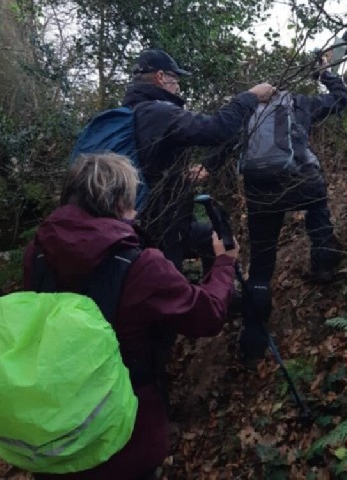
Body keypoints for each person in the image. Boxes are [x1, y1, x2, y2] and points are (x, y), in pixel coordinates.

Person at [24, 152, 239, 480]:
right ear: (118, 203)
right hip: (123, 438)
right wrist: (224, 263)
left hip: (53, 434)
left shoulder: (38, 253)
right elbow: (207, 315)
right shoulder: (140, 265)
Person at [206, 59, 347, 367]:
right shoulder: (300, 103)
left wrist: (205, 168)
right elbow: (341, 100)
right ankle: (324, 261)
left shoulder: (248, 113)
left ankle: (253, 343)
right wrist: (324, 73)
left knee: (261, 268)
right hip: (300, 180)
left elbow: (223, 145)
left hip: (261, 193)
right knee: (316, 203)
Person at [122, 48, 273, 271]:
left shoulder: (133, 112)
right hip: (162, 225)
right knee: (167, 280)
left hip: (150, 218)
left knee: (213, 238)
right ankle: (205, 291)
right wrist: (250, 96)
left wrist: (189, 174)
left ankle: (213, 288)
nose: (178, 86)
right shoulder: (158, 112)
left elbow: (153, 164)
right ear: (161, 77)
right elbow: (217, 129)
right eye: (175, 79)